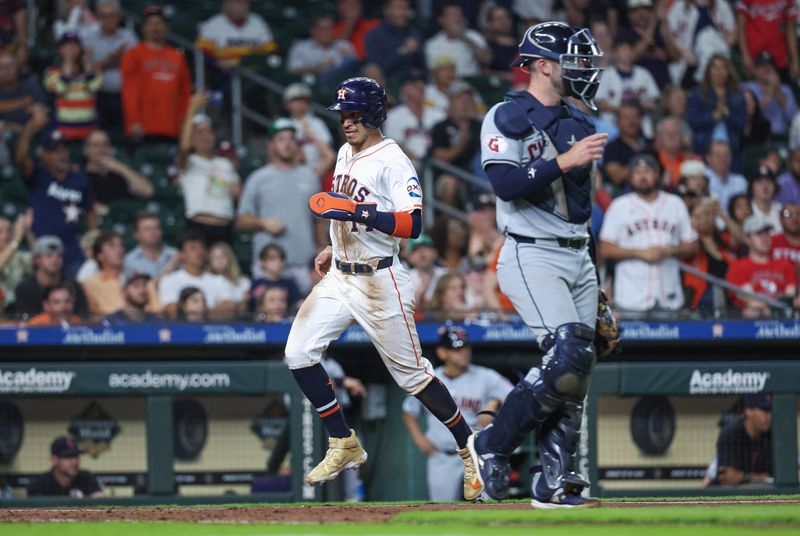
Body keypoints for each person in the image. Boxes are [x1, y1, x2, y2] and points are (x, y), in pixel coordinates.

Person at [286, 76, 483, 500]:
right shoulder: (342, 151)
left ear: (375, 113)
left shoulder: (394, 161)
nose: (347, 122)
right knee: (298, 353)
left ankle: (468, 447)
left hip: (381, 279)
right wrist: (331, 244)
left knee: (413, 377)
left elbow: (413, 224)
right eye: (343, 114)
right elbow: (347, 215)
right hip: (340, 273)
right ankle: (344, 441)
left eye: (355, 114)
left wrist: (358, 211)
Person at [469, 21, 609, 509]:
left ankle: (553, 482)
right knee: (567, 356)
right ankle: (491, 445)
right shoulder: (506, 114)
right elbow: (505, 185)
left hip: (576, 253)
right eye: (573, 61)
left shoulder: (577, 119)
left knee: (577, 373)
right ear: (544, 66)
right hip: (531, 250)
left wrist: (596, 276)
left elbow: (580, 207)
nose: (583, 70)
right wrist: (564, 161)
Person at [402, 326, 512, 501]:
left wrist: (495, 401)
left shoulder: (486, 376)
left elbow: (513, 395)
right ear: (442, 352)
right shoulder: (429, 380)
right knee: (443, 507)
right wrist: (418, 437)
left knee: (488, 504)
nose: (464, 353)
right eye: (457, 349)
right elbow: (409, 411)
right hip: (443, 455)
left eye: (466, 348)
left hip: (478, 454)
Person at [599, 154, 699, 312]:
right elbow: (605, 248)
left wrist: (669, 250)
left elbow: (692, 245)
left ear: (658, 174)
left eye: (647, 171)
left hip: (669, 296)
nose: (643, 176)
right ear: (630, 177)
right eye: (637, 172)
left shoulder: (675, 204)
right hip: (630, 298)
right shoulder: (619, 206)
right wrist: (640, 253)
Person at [237, 118, 318, 287]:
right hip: (268, 266)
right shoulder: (258, 178)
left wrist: (320, 251)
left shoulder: (310, 177)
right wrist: (263, 222)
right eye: (281, 139)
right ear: (271, 145)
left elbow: (319, 220)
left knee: (306, 312)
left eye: (291, 139)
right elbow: (241, 220)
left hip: (303, 264)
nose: (287, 144)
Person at [15, 111, 96, 279]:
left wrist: (93, 239)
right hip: (42, 247)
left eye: (63, 149)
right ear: (44, 155)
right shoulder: (38, 174)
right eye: (54, 151)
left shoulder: (80, 179)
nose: (61, 155)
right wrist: (29, 129)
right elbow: (21, 158)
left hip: (72, 248)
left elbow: (90, 212)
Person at [177, 93, 241, 245]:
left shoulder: (225, 163)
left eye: (208, 131)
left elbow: (237, 192)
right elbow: (184, 147)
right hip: (199, 226)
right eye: (199, 132)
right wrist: (192, 107)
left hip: (224, 226)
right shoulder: (189, 162)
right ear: (192, 138)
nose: (205, 136)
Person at [120, 5, 191, 142]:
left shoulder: (177, 56)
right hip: (143, 128)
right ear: (143, 28)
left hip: (173, 127)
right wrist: (133, 121)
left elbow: (185, 93)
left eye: (159, 23)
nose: (155, 28)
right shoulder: (133, 54)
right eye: (151, 24)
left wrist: (184, 122)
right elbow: (129, 91)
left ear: (166, 27)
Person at [80, 0, 138, 129]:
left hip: (124, 96)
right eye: (105, 16)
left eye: (113, 15)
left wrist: (103, 63)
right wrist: (113, 58)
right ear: (99, 17)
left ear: (119, 16)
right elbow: (88, 70)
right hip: (99, 97)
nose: (109, 19)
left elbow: (136, 66)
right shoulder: (89, 37)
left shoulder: (129, 36)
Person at [727, 214, 797, 317]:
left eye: (767, 233)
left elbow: (790, 294)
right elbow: (748, 297)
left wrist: (774, 309)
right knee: (752, 309)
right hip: (754, 320)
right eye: (759, 233)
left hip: (783, 316)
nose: (765, 238)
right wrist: (773, 309)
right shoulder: (738, 266)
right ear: (747, 239)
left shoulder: (784, 264)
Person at [158, 231, 238, 320]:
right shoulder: (170, 280)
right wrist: (211, 312)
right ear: (182, 254)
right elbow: (172, 310)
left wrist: (198, 312)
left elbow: (230, 307)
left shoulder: (219, 280)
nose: (199, 252)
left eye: (202, 247)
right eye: (193, 248)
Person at [687, 54, 747, 173]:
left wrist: (727, 115)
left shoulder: (737, 95)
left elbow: (742, 123)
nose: (719, 72)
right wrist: (713, 116)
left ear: (728, 71)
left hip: (731, 149)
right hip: (704, 147)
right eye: (715, 68)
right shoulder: (698, 94)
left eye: (723, 68)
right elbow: (692, 121)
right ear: (709, 71)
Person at [43, 31, 103, 141]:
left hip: (89, 133)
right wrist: (68, 64)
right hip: (63, 133)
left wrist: (88, 65)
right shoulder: (51, 71)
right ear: (60, 50)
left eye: (74, 45)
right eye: (66, 45)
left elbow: (94, 87)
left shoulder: (92, 71)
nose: (71, 48)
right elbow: (60, 88)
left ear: (80, 49)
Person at [595, 38, 659, 137]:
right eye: (623, 49)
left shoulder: (644, 74)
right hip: (611, 129)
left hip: (643, 128)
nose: (627, 53)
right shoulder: (607, 75)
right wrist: (623, 110)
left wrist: (641, 106)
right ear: (615, 53)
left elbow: (656, 101)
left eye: (630, 49)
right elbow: (599, 102)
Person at [430, 80, 482, 206]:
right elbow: (439, 157)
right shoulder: (440, 127)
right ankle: (449, 221)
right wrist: (462, 142)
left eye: (468, 99)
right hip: (449, 174)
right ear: (451, 102)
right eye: (460, 100)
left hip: (475, 174)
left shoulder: (479, 126)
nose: (465, 104)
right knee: (450, 183)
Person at [383, 70, 444, 171]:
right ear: (404, 89)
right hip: (407, 165)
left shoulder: (438, 114)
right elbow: (394, 145)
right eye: (414, 83)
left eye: (422, 83)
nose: (420, 86)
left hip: (438, 164)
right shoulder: (394, 116)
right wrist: (418, 160)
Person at [12, 235, 88, 317]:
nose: (55, 260)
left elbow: (83, 318)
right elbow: (27, 322)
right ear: (36, 259)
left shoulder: (74, 286)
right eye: (49, 255)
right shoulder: (24, 289)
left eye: (59, 255)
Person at [683, 199, 736, 310]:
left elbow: (741, 239)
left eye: (708, 214)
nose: (704, 219)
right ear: (691, 220)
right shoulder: (689, 247)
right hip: (701, 300)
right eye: (698, 216)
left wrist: (722, 214)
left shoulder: (724, 241)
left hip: (731, 295)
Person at [196, 0, 277, 71]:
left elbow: (271, 50)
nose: (241, 6)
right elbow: (202, 54)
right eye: (237, 2)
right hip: (226, 73)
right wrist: (217, 63)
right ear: (227, 3)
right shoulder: (213, 24)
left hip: (256, 71)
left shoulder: (257, 22)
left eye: (244, 3)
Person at [712, 393, 773, 486]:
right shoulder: (731, 433)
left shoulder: (774, 434)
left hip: (763, 493)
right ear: (748, 411)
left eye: (771, 411)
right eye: (765, 411)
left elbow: (782, 475)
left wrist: (742, 476)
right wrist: (761, 477)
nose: (769, 416)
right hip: (729, 495)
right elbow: (727, 479)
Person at [84, 129, 153, 209]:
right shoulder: (80, 175)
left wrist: (120, 168)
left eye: (105, 145)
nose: (101, 149)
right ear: (86, 150)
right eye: (96, 145)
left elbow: (147, 192)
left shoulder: (120, 172)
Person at [363, 0, 426, 85]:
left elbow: (422, 68)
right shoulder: (374, 35)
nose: (403, 13)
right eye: (398, 8)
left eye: (405, 8)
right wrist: (402, 52)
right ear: (386, 10)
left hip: (412, 85)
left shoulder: (415, 34)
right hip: (386, 85)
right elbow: (376, 69)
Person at [287, 14, 358, 86]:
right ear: (313, 30)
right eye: (324, 29)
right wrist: (318, 69)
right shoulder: (300, 48)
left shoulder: (344, 45)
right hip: (313, 85)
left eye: (331, 28)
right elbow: (294, 70)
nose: (328, 32)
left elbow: (356, 67)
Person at [425, 2, 491, 78]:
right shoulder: (432, 44)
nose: (457, 19)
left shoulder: (474, 36)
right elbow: (432, 72)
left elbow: (487, 60)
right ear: (441, 20)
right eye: (453, 16)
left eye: (459, 15)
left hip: (472, 82)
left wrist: (464, 37)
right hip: (447, 84)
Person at [736, 0, 799, 81]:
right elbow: (741, 29)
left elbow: (791, 29)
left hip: (780, 58)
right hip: (756, 58)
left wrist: (795, 60)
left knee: (784, 90)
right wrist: (745, 56)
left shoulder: (789, 1)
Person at [283, 83, 336, 178]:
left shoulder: (317, 123)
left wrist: (310, 134)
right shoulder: (284, 124)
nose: (299, 104)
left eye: (303, 101)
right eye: (295, 100)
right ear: (287, 104)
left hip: (320, 170)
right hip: (294, 173)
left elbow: (328, 154)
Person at [26, 436, 103, 498]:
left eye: (76, 456)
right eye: (68, 457)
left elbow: (100, 504)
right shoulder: (38, 484)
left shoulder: (87, 478)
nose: (75, 462)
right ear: (54, 460)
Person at [743, 51, 797, 137]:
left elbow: (793, 118)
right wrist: (768, 96)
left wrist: (778, 91)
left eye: (770, 66)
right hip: (756, 137)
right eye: (763, 66)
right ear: (755, 70)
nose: (767, 69)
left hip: (781, 136)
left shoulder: (785, 89)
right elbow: (745, 114)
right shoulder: (746, 88)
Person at [600, 101, 651, 192]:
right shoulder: (612, 148)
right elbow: (617, 177)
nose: (631, 121)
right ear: (617, 122)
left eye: (635, 117)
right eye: (626, 117)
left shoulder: (651, 144)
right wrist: (648, 168)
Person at [80, 229, 125, 317]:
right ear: (99, 256)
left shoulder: (135, 279)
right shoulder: (90, 285)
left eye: (121, 245)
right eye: (112, 246)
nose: (119, 250)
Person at [123, 212, 178, 282]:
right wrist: (172, 265)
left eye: (156, 228)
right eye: (147, 229)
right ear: (136, 234)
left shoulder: (176, 254)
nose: (153, 232)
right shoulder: (129, 261)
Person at [0, 52, 46, 131]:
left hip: (31, 132)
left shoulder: (31, 84)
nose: (7, 70)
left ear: (18, 68)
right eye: (2, 67)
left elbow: (41, 110)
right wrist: (22, 103)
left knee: (40, 116)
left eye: (11, 65)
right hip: (4, 132)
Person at [250, 243, 303, 312]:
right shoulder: (256, 283)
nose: (278, 262)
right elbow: (251, 307)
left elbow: (298, 304)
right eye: (272, 259)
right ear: (262, 262)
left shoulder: (290, 284)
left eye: (281, 258)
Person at [406, 234, 448, 315]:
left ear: (435, 253)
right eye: (416, 249)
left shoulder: (445, 274)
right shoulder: (405, 277)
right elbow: (407, 310)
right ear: (410, 258)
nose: (421, 252)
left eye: (426, 248)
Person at [705, 140, 747, 213]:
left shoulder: (740, 181)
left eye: (726, 155)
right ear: (708, 158)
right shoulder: (703, 179)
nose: (723, 159)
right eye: (718, 156)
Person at [0, 213, 32, 310]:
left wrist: (28, 232)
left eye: (9, 230)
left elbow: (42, 261)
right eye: (0, 232)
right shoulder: (15, 242)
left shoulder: (20, 256)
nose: (6, 236)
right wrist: (16, 239)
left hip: (22, 310)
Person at [208, 241, 250, 312]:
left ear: (229, 258)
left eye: (222, 256)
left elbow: (244, 307)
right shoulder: (208, 281)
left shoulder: (244, 281)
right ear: (210, 262)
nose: (219, 260)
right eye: (215, 258)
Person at [482, 5, 517, 74]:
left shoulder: (523, 46)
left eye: (506, 17)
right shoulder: (487, 47)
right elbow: (485, 71)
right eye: (498, 19)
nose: (503, 21)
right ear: (490, 24)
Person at [749, 166, 783, 231]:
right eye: (759, 182)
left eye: (768, 182)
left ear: (775, 186)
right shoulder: (747, 210)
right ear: (751, 187)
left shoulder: (781, 209)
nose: (764, 186)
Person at [772, 203, 800, 273]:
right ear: (781, 220)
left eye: (798, 214)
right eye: (788, 214)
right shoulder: (770, 242)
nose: (794, 218)